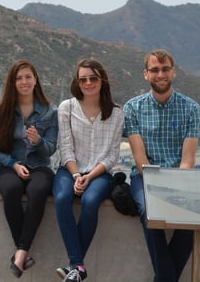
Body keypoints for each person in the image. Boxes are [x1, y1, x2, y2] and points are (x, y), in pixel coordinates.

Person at [124, 50, 200, 282]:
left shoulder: (191, 108)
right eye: (155, 70)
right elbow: (139, 157)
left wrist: (175, 187)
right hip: (144, 177)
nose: (161, 74)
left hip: (180, 177)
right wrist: (158, 189)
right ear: (146, 74)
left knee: (191, 218)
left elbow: (188, 159)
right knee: (150, 212)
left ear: (173, 72)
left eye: (165, 69)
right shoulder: (133, 108)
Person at [53, 59, 123, 282]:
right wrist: (76, 175)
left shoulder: (116, 113)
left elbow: (112, 155)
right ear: (77, 82)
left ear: (102, 80)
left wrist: (89, 176)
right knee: (63, 197)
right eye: (83, 79)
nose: (88, 83)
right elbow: (65, 148)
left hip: (99, 173)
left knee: (91, 202)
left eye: (93, 78)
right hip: (70, 169)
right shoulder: (67, 108)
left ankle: (75, 266)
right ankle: (78, 266)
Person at [0, 59, 57, 279]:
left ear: (36, 80)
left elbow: (51, 150)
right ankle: (23, 252)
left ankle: (19, 254)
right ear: (13, 82)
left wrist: (38, 141)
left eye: (28, 77)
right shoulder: (2, 111)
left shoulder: (50, 111)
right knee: (10, 190)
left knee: (37, 191)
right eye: (19, 78)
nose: (24, 82)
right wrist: (13, 165)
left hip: (39, 167)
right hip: (10, 165)